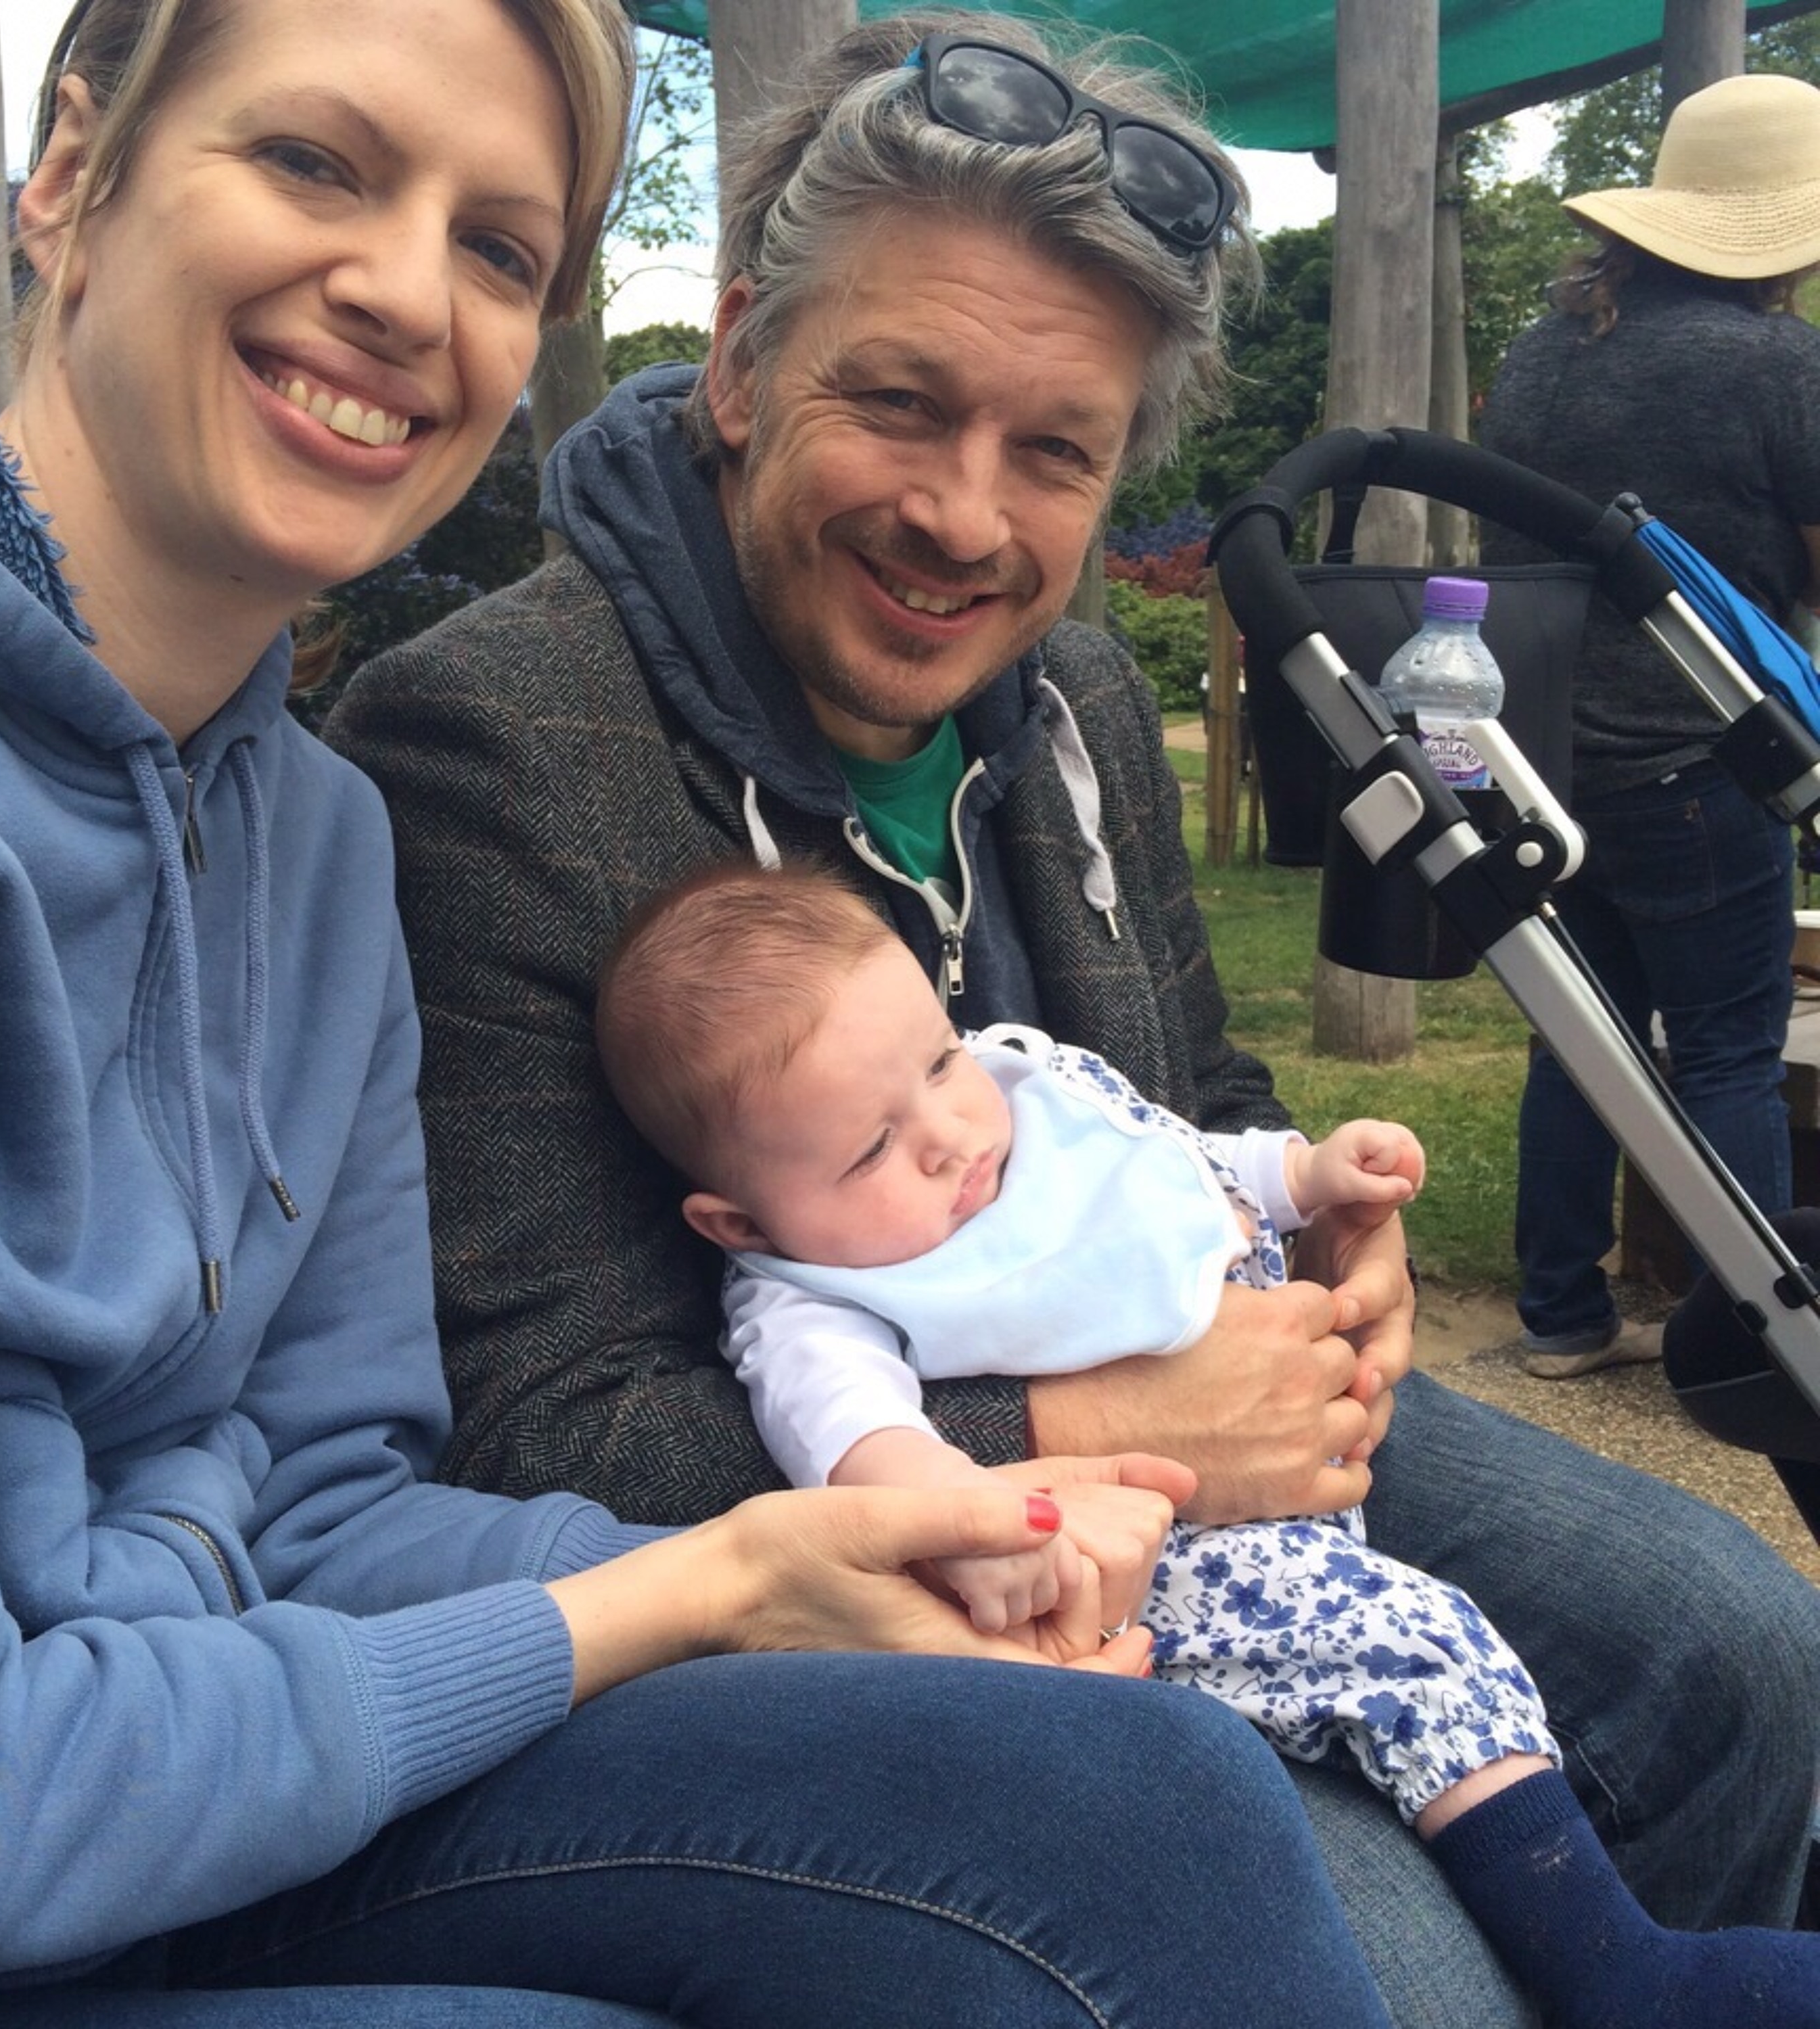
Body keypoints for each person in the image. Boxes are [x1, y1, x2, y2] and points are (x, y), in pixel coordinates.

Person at [0, 3, 1419, 2026]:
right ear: (70, 172)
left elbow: (333, 1498)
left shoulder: (306, 838)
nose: (406, 295)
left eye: (499, 248)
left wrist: (828, 1564)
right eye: (312, 161)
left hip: (216, 1765)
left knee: (1139, 1786)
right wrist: (716, 1580)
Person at [326, 14, 1820, 2022]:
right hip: (891, 1558)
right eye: (901, 403)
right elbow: (536, 1423)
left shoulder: (1081, 703)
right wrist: (1075, 1434)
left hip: (1243, 1418)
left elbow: (1198, 1090)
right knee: (1409, 1979)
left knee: (1746, 1660)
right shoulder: (491, 751)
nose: (967, 518)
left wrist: (1341, 1245)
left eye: (1055, 451)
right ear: (746, 361)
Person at [597, 858, 1820, 2029]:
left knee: (1733, 1631)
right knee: (1411, 1650)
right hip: (1128, 1559)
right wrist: (978, 1522)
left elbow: (1171, 1150)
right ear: (739, 1221)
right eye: (870, 1149)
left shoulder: (1020, 1089)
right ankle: (1618, 1970)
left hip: (1302, 1442)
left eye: (938, 1062)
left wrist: (1305, 1175)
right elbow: (859, 1444)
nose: (949, 1136)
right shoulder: (811, 1302)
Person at [1478, 70, 1820, 1379]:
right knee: (1729, 1053)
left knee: (1582, 1040)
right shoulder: (1780, 363)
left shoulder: (1544, 351)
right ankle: (1759, 1350)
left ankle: (1562, 1317)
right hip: (1703, 752)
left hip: (1545, 753)